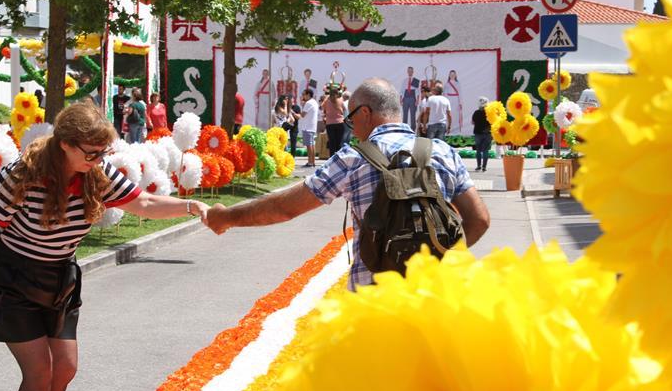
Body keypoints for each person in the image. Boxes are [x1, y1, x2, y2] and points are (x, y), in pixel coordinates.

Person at [0, 103, 209, 391]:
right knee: (39, 371)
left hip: (58, 277)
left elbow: (142, 203)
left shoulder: (96, 173)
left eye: (102, 153)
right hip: (13, 276)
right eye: (89, 153)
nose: (97, 160)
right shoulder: (25, 173)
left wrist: (191, 206)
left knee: (66, 366)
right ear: (65, 145)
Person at [203, 78, 490, 290]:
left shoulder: (353, 158)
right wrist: (439, 260)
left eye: (351, 118)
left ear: (365, 113)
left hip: (374, 301)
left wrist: (227, 216)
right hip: (437, 296)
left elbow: (285, 208)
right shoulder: (442, 151)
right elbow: (479, 220)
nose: (352, 126)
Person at [322, 86, 346, 156]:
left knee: (332, 143)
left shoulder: (327, 101)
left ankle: (331, 159)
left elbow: (322, 107)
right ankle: (338, 158)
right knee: (339, 143)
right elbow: (344, 109)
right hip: (340, 122)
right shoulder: (340, 100)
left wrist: (326, 98)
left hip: (330, 123)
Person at [472, 97, 492, 172]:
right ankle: (484, 167)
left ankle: (478, 166)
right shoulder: (490, 113)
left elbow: (473, 122)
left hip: (478, 133)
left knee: (478, 150)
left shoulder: (476, 112)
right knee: (485, 151)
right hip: (487, 133)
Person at [299, 89, 318, 167]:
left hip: (307, 126)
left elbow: (302, 115)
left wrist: (295, 112)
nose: (303, 96)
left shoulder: (308, 103)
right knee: (311, 144)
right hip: (312, 126)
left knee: (309, 145)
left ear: (308, 95)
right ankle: (312, 161)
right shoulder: (314, 102)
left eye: (304, 94)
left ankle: (310, 162)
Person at [445, 70, 463, 136]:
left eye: (453, 74)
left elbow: (460, 94)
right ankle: (449, 129)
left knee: (456, 114)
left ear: (455, 75)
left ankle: (456, 130)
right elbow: (445, 94)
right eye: (451, 74)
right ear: (449, 75)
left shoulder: (458, 83)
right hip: (449, 99)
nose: (452, 75)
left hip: (456, 100)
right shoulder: (447, 84)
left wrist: (460, 102)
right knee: (449, 114)